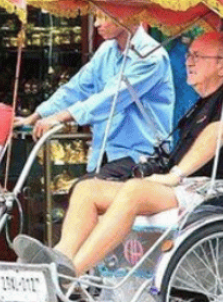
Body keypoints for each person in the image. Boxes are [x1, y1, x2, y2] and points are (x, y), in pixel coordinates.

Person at [14, 31, 223, 277]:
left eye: (197, 57)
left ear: (222, 66)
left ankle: (72, 273)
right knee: (87, 190)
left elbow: (217, 135)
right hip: (186, 188)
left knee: (135, 190)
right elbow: (77, 87)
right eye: (189, 55)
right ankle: (61, 258)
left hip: (216, 191)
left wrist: (175, 175)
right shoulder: (200, 104)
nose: (188, 62)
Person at [14, 14, 174, 179]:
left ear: (126, 14)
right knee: (80, 191)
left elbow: (110, 98)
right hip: (106, 153)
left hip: (141, 157)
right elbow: (76, 88)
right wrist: (35, 116)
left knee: (83, 192)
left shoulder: (151, 56)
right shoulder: (106, 50)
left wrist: (60, 117)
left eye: (103, 16)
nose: (97, 23)